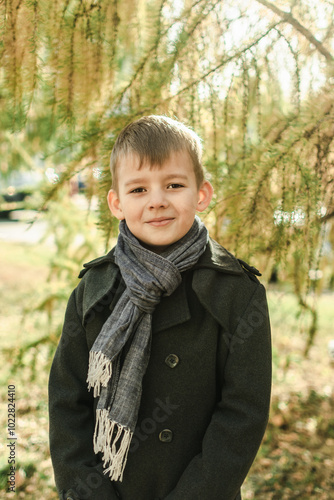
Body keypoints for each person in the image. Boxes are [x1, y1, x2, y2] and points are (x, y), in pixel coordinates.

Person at [49, 115, 272, 500]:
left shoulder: (236, 293)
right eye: (138, 189)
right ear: (116, 203)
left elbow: (243, 414)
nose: (157, 201)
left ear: (201, 194)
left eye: (174, 184)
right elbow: (68, 403)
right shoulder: (95, 290)